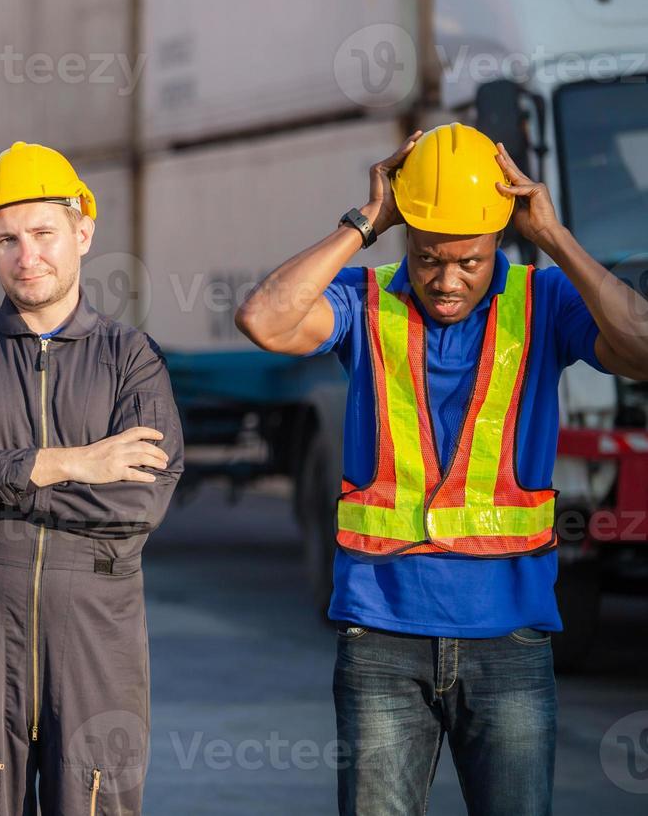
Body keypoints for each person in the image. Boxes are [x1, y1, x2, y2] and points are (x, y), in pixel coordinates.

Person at [235, 123, 648, 815]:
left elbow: (641, 350)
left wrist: (555, 238)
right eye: (429, 258)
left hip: (511, 641)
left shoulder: (544, 302)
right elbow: (264, 320)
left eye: (470, 261)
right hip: (382, 642)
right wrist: (367, 219)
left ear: (499, 242)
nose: (447, 279)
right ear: (406, 236)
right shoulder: (364, 300)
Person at [0, 141, 184, 815]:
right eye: (6, 240)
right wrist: (75, 461)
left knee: (93, 803)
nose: (27, 257)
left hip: (95, 635)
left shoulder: (130, 359)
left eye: (44, 234)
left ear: (84, 231)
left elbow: (137, 501)